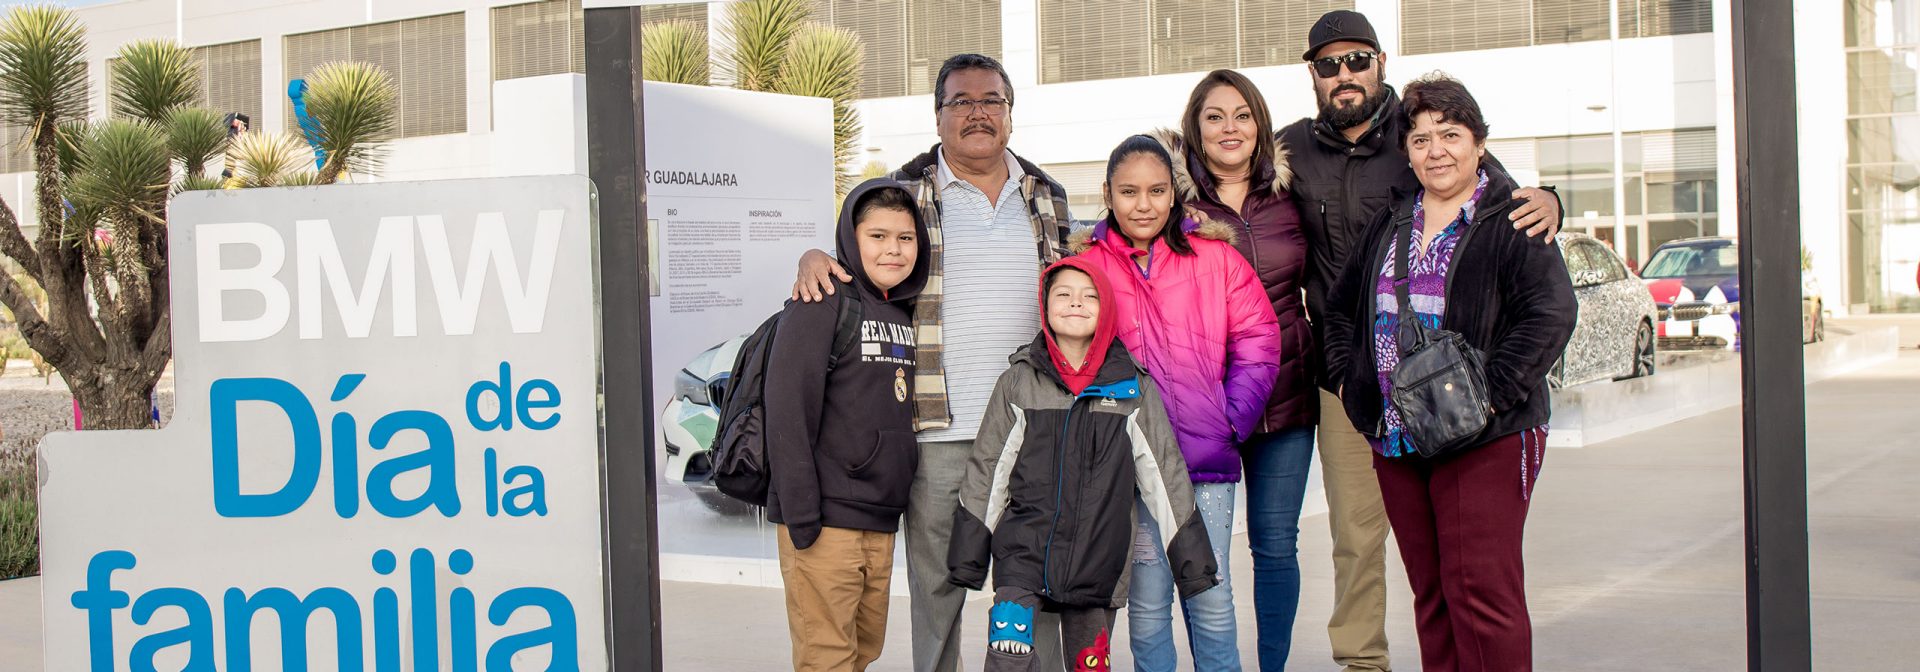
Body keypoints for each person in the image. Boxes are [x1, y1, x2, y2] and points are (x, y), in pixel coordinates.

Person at [1280, 11, 1564, 671]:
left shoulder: (1496, 209)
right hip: (1389, 425)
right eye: (1423, 139)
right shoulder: (1376, 207)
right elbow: (1347, 307)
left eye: (1451, 136)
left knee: (1482, 592)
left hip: (1481, 429)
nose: (1436, 149)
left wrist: (1490, 397)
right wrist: (1355, 387)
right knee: (1424, 587)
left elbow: (1547, 307)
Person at [791, 54, 1075, 672]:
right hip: (938, 430)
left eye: (992, 100)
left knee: (1036, 588)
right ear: (938, 114)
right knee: (939, 589)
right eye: (961, 101)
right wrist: (814, 252)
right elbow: (856, 257)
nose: (978, 112)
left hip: (1033, 426)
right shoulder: (907, 192)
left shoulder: (1048, 197)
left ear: (1010, 112)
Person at [1067, 134, 1281, 672]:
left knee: (1210, 599)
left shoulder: (1217, 258)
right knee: (1146, 605)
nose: (1144, 205)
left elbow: (1259, 338)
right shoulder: (1089, 267)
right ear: (1109, 194)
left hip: (1203, 465)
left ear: (1174, 193)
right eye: (1129, 192)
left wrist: (1230, 419)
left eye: (1157, 190)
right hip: (1128, 468)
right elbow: (1067, 351)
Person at [947, 258, 1218, 672]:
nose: (1076, 303)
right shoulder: (1019, 382)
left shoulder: (1133, 388)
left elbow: (1165, 475)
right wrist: (969, 555)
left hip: (1099, 559)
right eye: (1064, 294)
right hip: (1022, 553)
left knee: (1088, 665)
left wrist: (1193, 564)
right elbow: (989, 468)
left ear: (1107, 307)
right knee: (1007, 656)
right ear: (1045, 304)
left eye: (1090, 296)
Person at [1147, 68, 1315, 671]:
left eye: (1242, 115)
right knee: (1197, 553)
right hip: (1197, 405)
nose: (1229, 128)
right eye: (1214, 116)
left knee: (1275, 548)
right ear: (1195, 126)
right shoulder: (1171, 200)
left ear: (1260, 125)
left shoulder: (1291, 195)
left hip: (1288, 397)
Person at [765, 179, 932, 672]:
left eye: (905, 238)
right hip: (824, 522)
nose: (893, 250)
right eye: (877, 236)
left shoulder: (900, 308)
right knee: (827, 659)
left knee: (861, 653)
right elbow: (787, 405)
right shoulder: (822, 299)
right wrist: (801, 517)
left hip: (879, 521)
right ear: (851, 239)